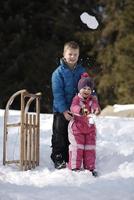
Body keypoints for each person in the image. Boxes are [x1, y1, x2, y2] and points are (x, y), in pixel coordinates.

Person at [51, 41, 86, 169]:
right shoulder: (58, 73)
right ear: (64, 55)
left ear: (78, 55)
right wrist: (64, 110)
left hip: (77, 109)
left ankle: (71, 155)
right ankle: (58, 156)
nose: (72, 57)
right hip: (61, 111)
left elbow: (87, 87)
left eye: (75, 54)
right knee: (60, 133)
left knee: (74, 133)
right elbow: (58, 93)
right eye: (70, 54)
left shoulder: (82, 71)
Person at [68, 74, 101, 177]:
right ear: (79, 89)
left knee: (89, 148)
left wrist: (96, 110)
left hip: (90, 128)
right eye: (84, 88)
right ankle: (75, 167)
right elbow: (73, 107)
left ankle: (90, 168)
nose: (86, 91)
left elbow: (96, 106)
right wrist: (80, 110)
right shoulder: (76, 99)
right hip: (77, 127)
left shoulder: (92, 100)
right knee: (77, 147)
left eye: (89, 89)